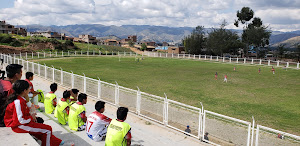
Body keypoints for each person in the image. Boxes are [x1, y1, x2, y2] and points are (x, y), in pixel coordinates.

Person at [4, 80, 64, 146]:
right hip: (18, 126)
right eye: (28, 89)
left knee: (44, 128)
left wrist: (31, 117)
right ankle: (55, 143)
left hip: (20, 124)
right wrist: (31, 118)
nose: (29, 90)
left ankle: (57, 142)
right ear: (24, 90)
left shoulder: (20, 99)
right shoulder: (18, 102)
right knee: (48, 129)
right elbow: (20, 120)